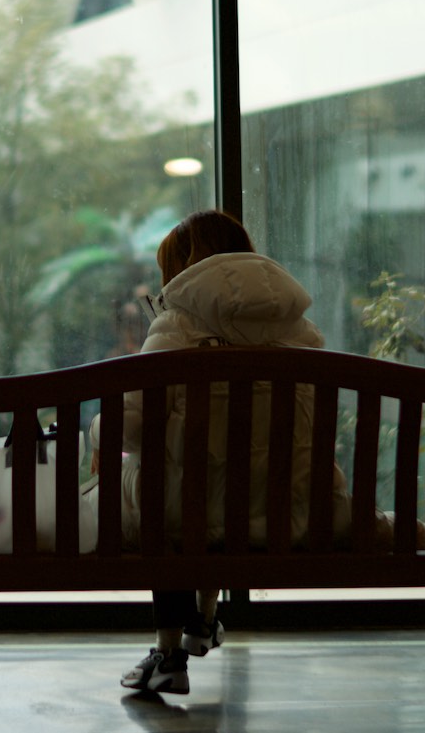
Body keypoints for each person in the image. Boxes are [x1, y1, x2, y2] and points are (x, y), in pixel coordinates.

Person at [113, 209, 353, 695]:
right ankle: (203, 620)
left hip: (187, 515)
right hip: (287, 510)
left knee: (169, 488)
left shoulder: (175, 327)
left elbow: (131, 429)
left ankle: (168, 654)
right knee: (222, 482)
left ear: (184, 268)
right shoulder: (300, 329)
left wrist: (100, 438)